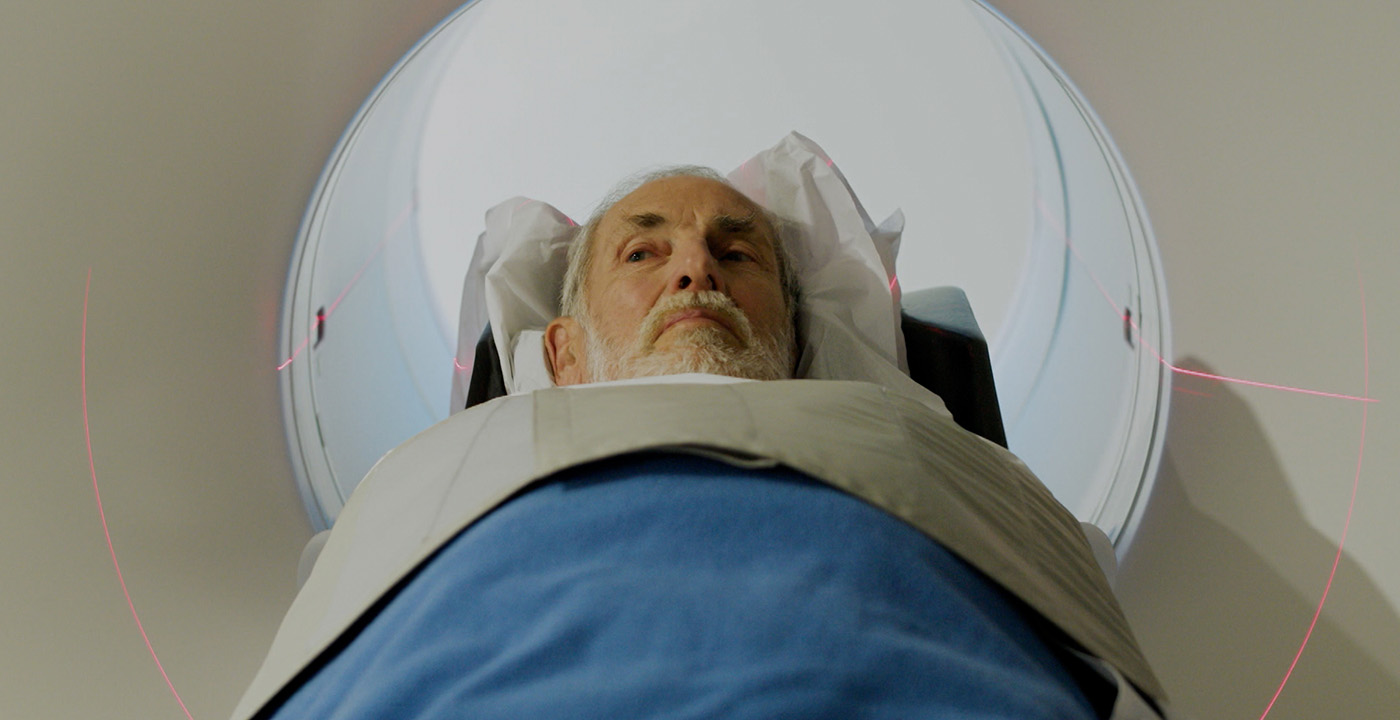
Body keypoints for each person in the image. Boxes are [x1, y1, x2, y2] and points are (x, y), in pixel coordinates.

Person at [234, 166, 1170, 720]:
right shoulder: (436, 471)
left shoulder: (939, 452)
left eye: (737, 252)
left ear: (799, 347)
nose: (695, 269)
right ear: (562, 353)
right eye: (643, 252)